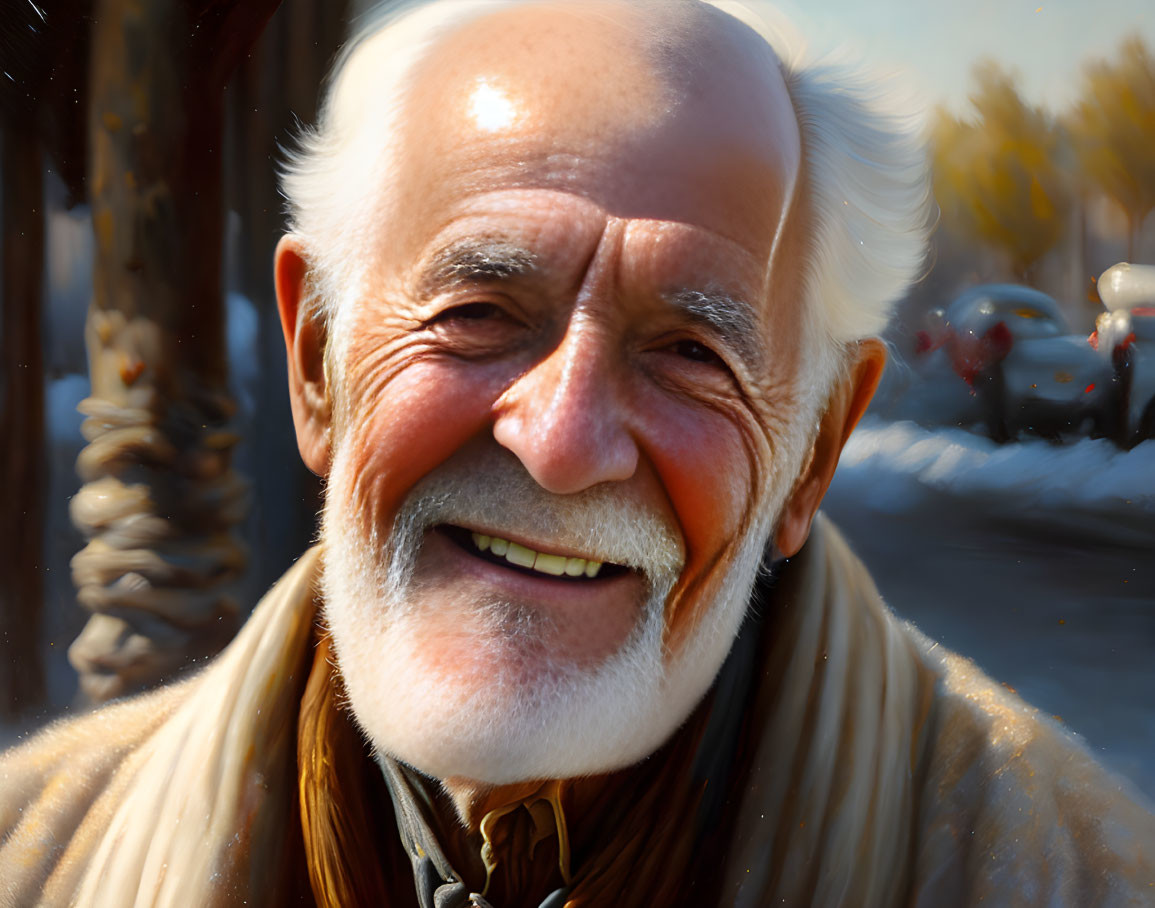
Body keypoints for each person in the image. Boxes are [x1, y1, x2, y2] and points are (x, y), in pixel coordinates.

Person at [2, 1, 1152, 905]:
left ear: (813, 453)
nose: (560, 444)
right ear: (316, 360)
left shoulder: (1084, 876)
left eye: (692, 349)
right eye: (480, 313)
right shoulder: (30, 856)